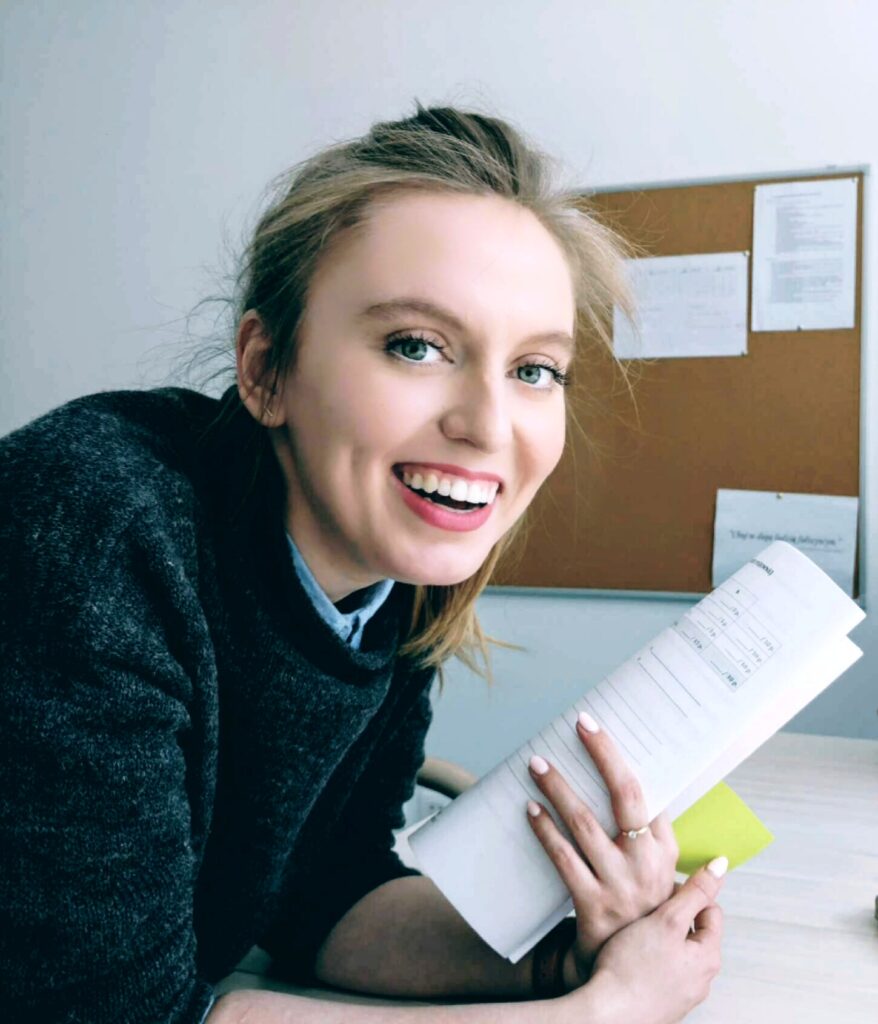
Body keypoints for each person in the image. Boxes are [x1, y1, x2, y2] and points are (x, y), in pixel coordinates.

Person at [0, 103, 725, 1024]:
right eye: (416, 346)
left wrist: (561, 961)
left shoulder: (389, 584)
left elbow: (328, 897)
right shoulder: (95, 528)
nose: (487, 426)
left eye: (535, 370)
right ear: (266, 370)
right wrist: (596, 1015)